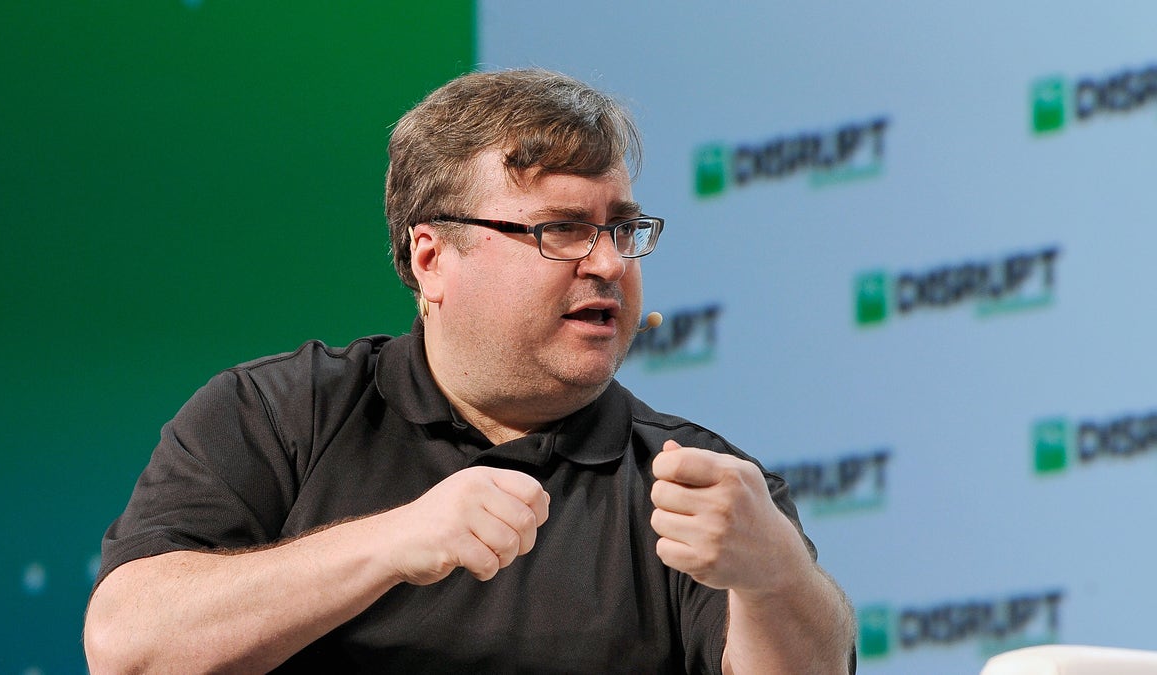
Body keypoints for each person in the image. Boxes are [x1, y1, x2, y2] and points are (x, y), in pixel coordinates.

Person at [83, 68, 856, 673]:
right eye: (562, 229)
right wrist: (390, 543)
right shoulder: (277, 415)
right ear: (432, 258)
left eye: (622, 228)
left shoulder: (690, 480)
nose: (610, 263)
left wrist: (776, 575)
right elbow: (131, 647)